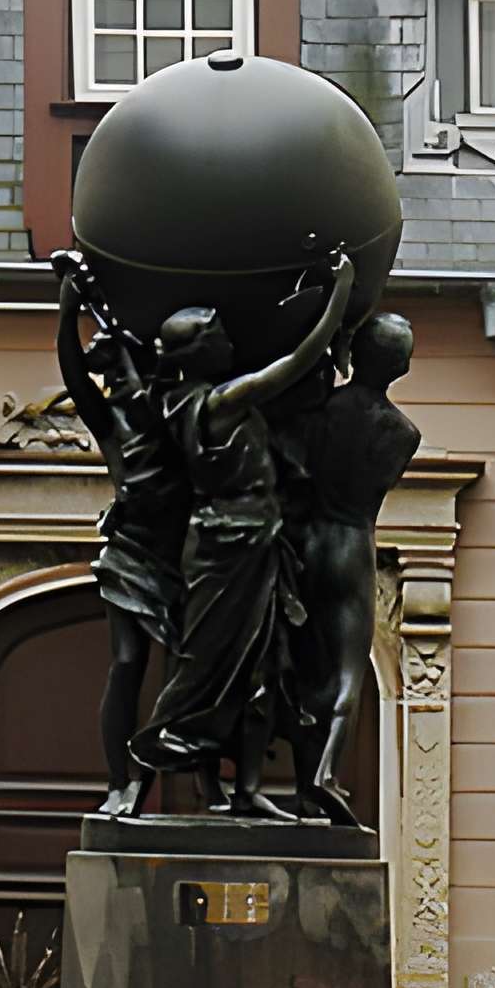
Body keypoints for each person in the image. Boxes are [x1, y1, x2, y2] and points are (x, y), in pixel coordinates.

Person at [132, 252, 352, 817]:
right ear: (200, 353)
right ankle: (151, 756)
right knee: (210, 664)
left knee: (262, 662)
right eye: (221, 336)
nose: (231, 342)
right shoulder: (220, 401)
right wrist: (339, 296)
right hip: (233, 544)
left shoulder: (171, 401)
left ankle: (244, 791)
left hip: (247, 541)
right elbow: (297, 362)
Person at [49, 254, 183, 817]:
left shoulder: (178, 418)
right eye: (113, 375)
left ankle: (158, 779)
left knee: (182, 675)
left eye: (126, 372)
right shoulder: (111, 425)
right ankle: (119, 781)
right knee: (127, 663)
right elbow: (72, 373)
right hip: (129, 554)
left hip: (181, 558)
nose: (118, 383)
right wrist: (69, 308)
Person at [278, 313, 421, 823]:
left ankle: (304, 782)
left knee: (305, 665)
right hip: (351, 542)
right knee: (347, 670)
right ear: (401, 367)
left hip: (305, 542)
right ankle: (325, 771)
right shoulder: (403, 433)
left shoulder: (319, 413)